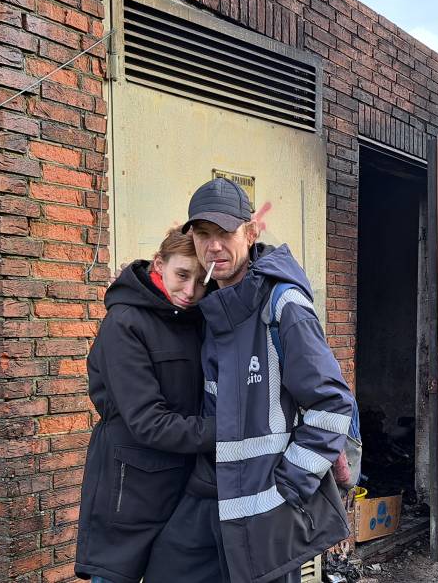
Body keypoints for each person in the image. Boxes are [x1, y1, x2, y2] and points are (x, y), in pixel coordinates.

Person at [146, 178, 354, 583]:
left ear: (251, 231)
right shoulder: (211, 304)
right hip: (210, 497)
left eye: (225, 233)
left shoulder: (283, 305)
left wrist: (288, 489)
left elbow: (331, 406)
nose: (214, 246)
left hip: (266, 509)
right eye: (203, 235)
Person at [75, 228, 216, 583]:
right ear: (159, 264)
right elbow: (148, 421)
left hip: (184, 486)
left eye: (201, 280)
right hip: (130, 489)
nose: (191, 291)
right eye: (182, 275)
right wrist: (232, 431)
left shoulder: (197, 319)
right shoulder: (124, 322)